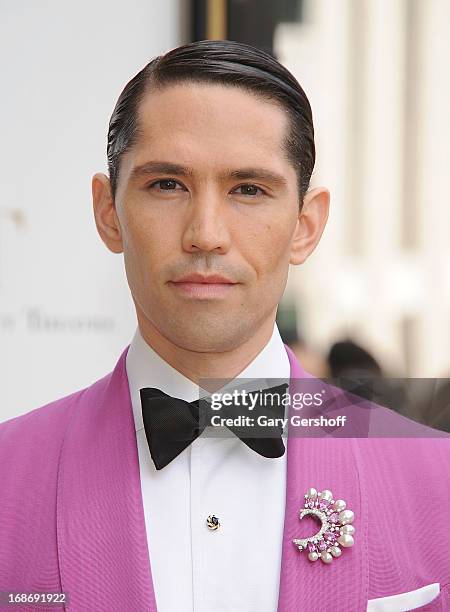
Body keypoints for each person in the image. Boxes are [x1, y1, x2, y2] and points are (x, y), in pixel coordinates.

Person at [1, 40, 449, 612]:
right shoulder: (7, 478)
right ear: (108, 213)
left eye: (248, 189)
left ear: (306, 226)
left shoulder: (440, 480)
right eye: (167, 184)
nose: (206, 232)